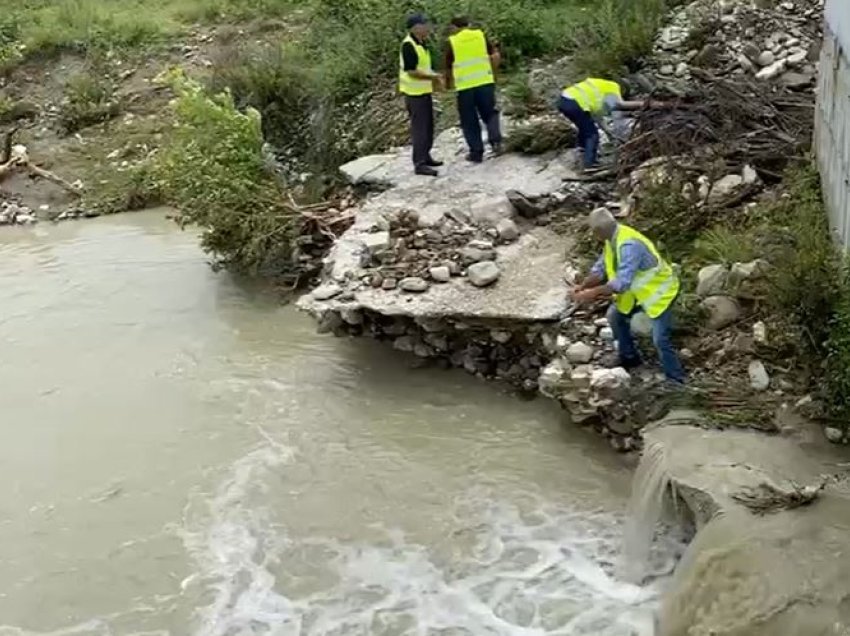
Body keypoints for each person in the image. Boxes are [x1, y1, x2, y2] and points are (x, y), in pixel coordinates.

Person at [572, 207, 686, 384]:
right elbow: (600, 268)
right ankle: (629, 357)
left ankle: (676, 379)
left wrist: (591, 294)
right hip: (638, 293)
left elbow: (621, 283)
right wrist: (583, 286)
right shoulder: (612, 239)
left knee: (660, 339)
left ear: (598, 232)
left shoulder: (629, 245)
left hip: (660, 294)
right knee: (614, 316)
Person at [444, 16, 502, 163]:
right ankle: (495, 141)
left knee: (469, 120)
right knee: (490, 113)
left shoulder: (453, 41)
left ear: (454, 27)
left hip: (465, 87)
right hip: (484, 82)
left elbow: (448, 66)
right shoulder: (480, 35)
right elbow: (495, 56)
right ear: (468, 25)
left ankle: (476, 153)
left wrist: (447, 84)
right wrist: (494, 74)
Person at [400, 14, 443, 177]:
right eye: (426, 24)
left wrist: (434, 79)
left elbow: (424, 67)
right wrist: (433, 77)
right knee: (420, 129)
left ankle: (426, 156)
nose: (428, 27)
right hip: (414, 94)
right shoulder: (408, 45)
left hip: (423, 91)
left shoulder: (421, 43)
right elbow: (412, 71)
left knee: (428, 126)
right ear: (416, 27)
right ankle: (419, 163)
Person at [557, 77, 629, 170]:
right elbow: (618, 117)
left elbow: (597, 118)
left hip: (564, 100)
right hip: (576, 103)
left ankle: (582, 150)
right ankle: (590, 164)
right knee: (592, 135)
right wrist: (623, 138)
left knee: (584, 128)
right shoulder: (613, 90)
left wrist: (610, 134)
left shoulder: (603, 85)